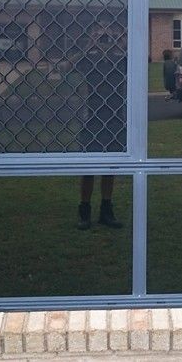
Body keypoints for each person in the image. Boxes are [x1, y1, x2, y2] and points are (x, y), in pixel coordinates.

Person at [74, 17, 126, 230]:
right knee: (89, 167)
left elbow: (144, 61)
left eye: (109, 34)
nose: (105, 38)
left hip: (114, 118)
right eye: (100, 33)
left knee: (110, 166)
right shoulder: (89, 60)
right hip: (92, 119)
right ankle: (84, 211)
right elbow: (67, 66)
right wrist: (90, 45)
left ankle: (106, 209)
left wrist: (121, 43)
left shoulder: (120, 60)